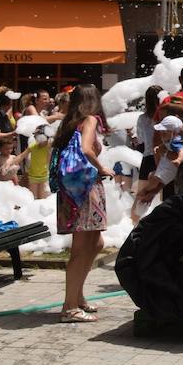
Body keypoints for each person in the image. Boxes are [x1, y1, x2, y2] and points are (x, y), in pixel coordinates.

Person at [50, 85, 114, 322]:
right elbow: (87, 149)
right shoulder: (89, 120)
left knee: (96, 243)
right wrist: (102, 167)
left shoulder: (68, 123)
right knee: (81, 248)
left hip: (74, 190)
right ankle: (69, 307)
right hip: (84, 191)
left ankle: (77, 296)